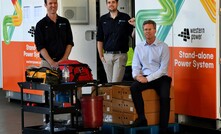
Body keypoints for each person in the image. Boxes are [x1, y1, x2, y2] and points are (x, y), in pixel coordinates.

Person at [130, 20, 172, 134]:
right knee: (134, 87)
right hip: (144, 76)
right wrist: (137, 76)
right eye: (145, 29)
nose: (147, 32)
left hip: (161, 77)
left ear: (155, 30)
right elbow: (135, 65)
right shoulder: (139, 47)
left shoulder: (163, 47)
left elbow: (163, 69)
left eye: (149, 29)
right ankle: (142, 118)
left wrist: (147, 79)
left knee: (164, 97)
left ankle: (164, 128)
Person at [97, 0, 135, 83]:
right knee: (110, 83)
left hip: (120, 55)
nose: (111, 4)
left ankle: (113, 96)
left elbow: (132, 35)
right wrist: (101, 56)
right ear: (106, 4)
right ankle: (112, 96)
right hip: (107, 56)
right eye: (109, 2)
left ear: (117, 3)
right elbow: (99, 39)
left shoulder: (125, 17)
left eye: (113, 2)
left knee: (115, 82)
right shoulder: (103, 19)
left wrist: (135, 26)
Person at [34, 0, 74, 69]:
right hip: (47, 63)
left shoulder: (65, 22)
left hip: (63, 63)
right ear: (45, 5)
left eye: (55, 3)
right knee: (48, 80)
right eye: (50, 3)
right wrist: (51, 62)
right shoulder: (40, 25)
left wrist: (64, 59)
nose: (53, 5)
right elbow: (40, 46)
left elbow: (69, 42)